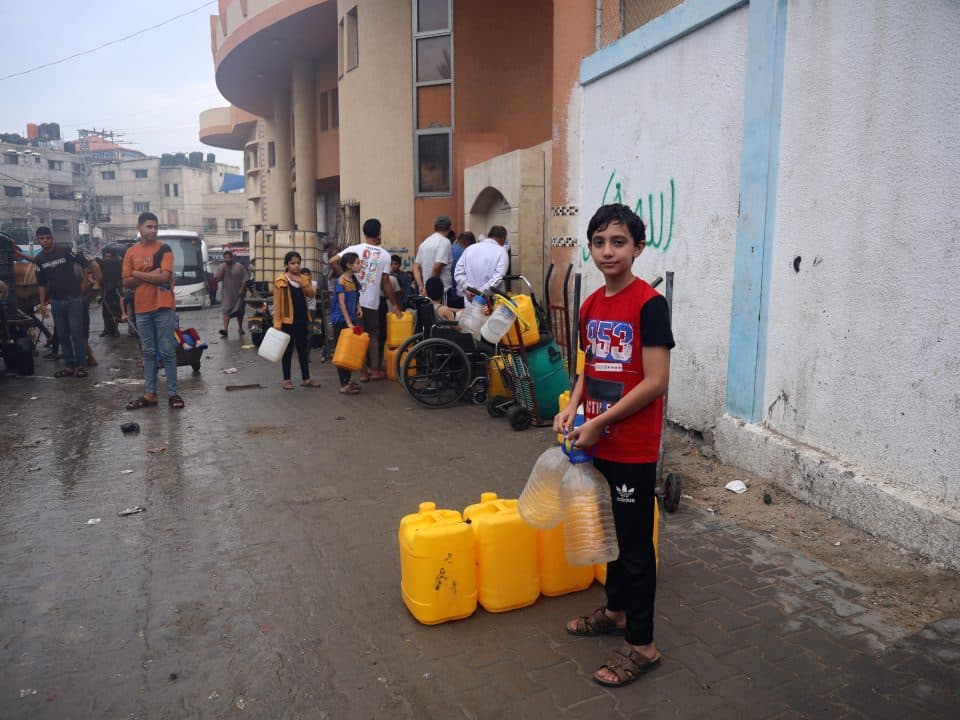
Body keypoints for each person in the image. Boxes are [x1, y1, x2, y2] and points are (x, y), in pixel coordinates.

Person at [553, 204, 674, 688]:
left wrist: (602, 424)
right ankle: (618, 612)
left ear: (638, 248)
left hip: (633, 447)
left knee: (635, 546)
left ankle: (642, 644)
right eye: (600, 242)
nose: (608, 252)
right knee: (611, 533)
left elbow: (656, 381)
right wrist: (572, 406)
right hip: (597, 438)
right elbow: (589, 366)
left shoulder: (649, 304)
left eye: (619, 242)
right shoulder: (590, 305)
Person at [327, 218, 402, 382]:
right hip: (372, 302)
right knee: (374, 335)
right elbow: (386, 282)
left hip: (354, 302)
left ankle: (362, 373)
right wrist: (395, 304)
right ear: (379, 232)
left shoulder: (355, 249)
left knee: (358, 335)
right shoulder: (385, 255)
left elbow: (332, 260)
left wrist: (344, 277)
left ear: (364, 232)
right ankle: (375, 370)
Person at [123, 212, 184, 409]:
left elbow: (164, 278)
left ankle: (173, 394)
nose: (153, 230)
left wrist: (137, 273)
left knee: (167, 351)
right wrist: (150, 274)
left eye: (156, 227)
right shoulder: (131, 252)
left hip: (163, 306)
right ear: (139, 228)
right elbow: (126, 282)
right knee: (148, 352)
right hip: (142, 308)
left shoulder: (165, 249)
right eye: (149, 226)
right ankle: (150, 394)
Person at [34, 226, 89, 378]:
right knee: (63, 334)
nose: (45, 241)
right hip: (57, 302)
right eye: (42, 238)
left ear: (52, 238)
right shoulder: (39, 259)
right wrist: (42, 303)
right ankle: (69, 366)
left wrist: (84, 283)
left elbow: (85, 263)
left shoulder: (65, 251)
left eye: (47, 238)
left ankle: (81, 365)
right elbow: (42, 283)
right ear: (38, 240)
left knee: (76, 333)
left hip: (74, 299)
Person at [273, 250, 320, 389]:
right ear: (287, 265)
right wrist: (277, 324)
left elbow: (311, 294)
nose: (296, 266)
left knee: (302, 350)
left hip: (301, 319)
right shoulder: (281, 280)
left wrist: (303, 282)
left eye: (298, 263)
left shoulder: (303, 279)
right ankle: (286, 380)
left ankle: (306, 379)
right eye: (293, 263)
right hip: (287, 321)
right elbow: (277, 303)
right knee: (287, 351)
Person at [329, 252, 363, 395]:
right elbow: (341, 304)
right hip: (341, 320)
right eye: (357, 263)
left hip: (351, 319)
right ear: (349, 265)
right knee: (342, 351)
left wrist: (358, 307)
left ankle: (348, 381)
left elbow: (356, 296)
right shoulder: (341, 281)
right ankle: (343, 384)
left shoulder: (354, 279)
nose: (359, 265)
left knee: (350, 350)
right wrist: (349, 322)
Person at [454, 225, 509, 301]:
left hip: (470, 299)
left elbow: (458, 273)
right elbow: (498, 278)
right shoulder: (502, 252)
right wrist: (479, 293)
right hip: (490, 301)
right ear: (503, 238)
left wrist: (470, 290)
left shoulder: (469, 249)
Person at [413, 215, 453, 298]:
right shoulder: (444, 242)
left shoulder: (424, 243)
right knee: (442, 311)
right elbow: (437, 267)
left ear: (435, 227)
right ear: (449, 228)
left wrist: (421, 286)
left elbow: (416, 267)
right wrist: (429, 288)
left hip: (427, 291)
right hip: (439, 293)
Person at [216, 249, 249, 338]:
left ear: (232, 257)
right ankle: (225, 330)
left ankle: (240, 328)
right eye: (225, 257)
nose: (227, 259)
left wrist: (242, 289)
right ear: (223, 258)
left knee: (240, 311)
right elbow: (218, 279)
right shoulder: (222, 267)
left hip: (238, 293)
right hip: (227, 293)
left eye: (229, 257)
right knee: (226, 310)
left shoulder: (239, 267)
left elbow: (245, 279)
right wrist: (222, 270)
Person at [447, 231, 476, 309]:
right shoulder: (466, 253)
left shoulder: (450, 248)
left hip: (447, 294)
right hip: (461, 296)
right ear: (469, 243)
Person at [98, 249, 123, 337]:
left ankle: (116, 330)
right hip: (105, 292)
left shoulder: (116, 266)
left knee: (115, 311)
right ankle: (106, 329)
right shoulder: (102, 265)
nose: (108, 258)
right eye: (106, 257)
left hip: (115, 291)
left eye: (109, 257)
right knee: (105, 312)